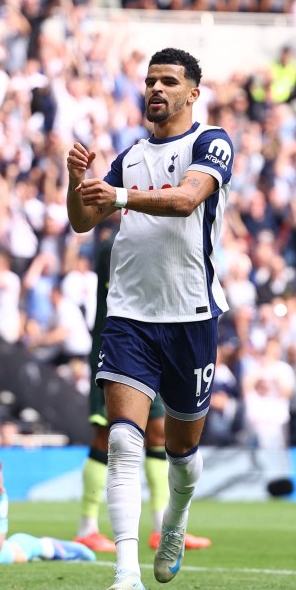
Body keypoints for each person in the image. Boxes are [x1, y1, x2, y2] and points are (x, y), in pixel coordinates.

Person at [67, 47, 233, 590]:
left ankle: (177, 518)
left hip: (190, 316)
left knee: (183, 451)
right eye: (149, 81)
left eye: (168, 81)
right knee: (122, 441)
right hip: (130, 317)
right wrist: (77, 182)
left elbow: (187, 201)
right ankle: (125, 572)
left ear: (193, 93)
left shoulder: (212, 143)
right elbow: (82, 221)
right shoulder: (130, 155)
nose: (155, 89)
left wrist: (114, 195)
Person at [74, 226, 211, 554]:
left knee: (157, 434)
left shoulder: (152, 233)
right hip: (121, 346)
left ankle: (159, 525)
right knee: (106, 435)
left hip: (154, 346)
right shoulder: (115, 244)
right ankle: (87, 526)